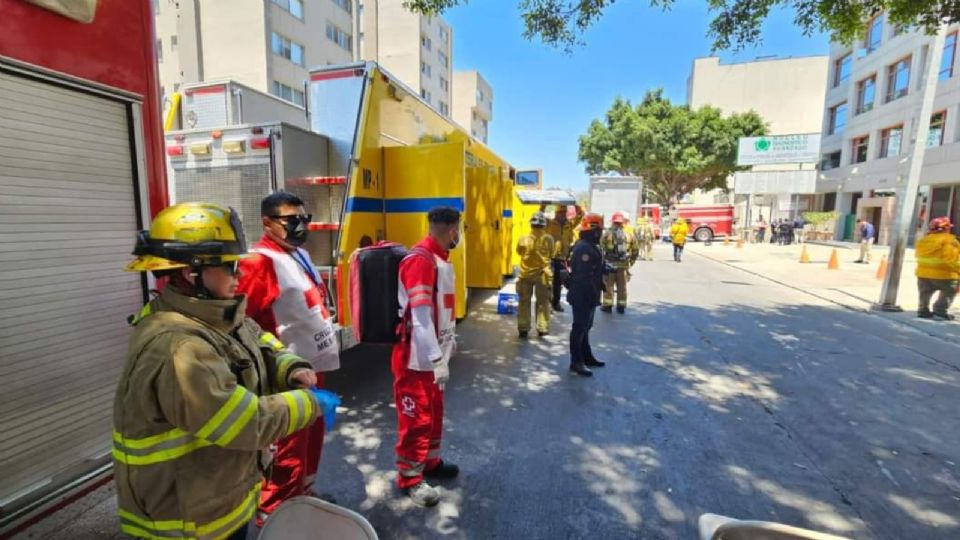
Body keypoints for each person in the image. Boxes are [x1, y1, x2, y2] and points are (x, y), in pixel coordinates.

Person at [114, 203, 339, 540]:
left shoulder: (214, 315)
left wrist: (290, 367)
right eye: (230, 266)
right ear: (194, 274)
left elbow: (258, 342)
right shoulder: (178, 349)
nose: (238, 275)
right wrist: (309, 403)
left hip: (213, 503)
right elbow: (246, 423)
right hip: (184, 525)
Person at [236, 192, 341, 524]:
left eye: (303, 219)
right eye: (290, 220)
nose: (300, 226)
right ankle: (276, 517)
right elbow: (241, 322)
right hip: (286, 377)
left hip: (311, 369)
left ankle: (302, 501)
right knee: (288, 450)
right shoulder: (260, 262)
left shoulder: (297, 255)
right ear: (267, 223)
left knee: (310, 441)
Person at [393, 207, 462, 507]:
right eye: (459, 229)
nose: (459, 234)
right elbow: (420, 317)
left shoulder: (440, 260)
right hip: (416, 359)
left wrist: (449, 345)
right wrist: (435, 358)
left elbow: (441, 311)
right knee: (416, 419)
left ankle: (430, 463)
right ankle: (409, 477)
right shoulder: (420, 261)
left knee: (433, 415)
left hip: (433, 356)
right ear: (451, 229)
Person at [567, 213, 607, 377]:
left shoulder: (589, 245)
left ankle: (586, 356)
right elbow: (583, 276)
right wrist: (592, 292)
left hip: (589, 293)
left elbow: (593, 270)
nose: (601, 233)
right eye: (599, 230)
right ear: (593, 230)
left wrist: (602, 275)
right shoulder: (584, 248)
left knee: (586, 326)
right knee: (579, 327)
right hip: (583, 294)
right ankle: (576, 362)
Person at [515, 212, 555, 338]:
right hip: (542, 275)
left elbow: (519, 251)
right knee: (543, 302)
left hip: (525, 275)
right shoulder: (549, 239)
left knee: (524, 301)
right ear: (544, 225)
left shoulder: (523, 239)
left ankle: (523, 328)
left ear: (531, 224)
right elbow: (552, 254)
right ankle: (542, 328)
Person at [541, 202, 584, 312]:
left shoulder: (569, 224)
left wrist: (576, 205)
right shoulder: (549, 223)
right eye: (560, 212)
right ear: (556, 213)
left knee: (558, 283)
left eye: (564, 212)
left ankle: (556, 304)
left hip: (562, 258)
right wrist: (543, 206)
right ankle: (549, 305)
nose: (562, 215)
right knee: (548, 282)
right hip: (550, 258)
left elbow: (581, 215)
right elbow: (540, 216)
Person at [915, 217, 959, 321]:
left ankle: (923, 310)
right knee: (949, 292)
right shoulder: (949, 240)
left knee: (924, 293)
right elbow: (952, 260)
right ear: (946, 228)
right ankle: (940, 311)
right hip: (945, 275)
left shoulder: (923, 240)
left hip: (923, 274)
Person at [600, 211, 638, 314]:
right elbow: (635, 250)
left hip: (610, 264)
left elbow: (600, 249)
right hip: (623, 265)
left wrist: (602, 263)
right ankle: (621, 306)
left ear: (613, 222)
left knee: (609, 286)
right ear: (622, 223)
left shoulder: (607, 234)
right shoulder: (629, 235)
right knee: (622, 287)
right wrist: (630, 263)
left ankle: (607, 306)